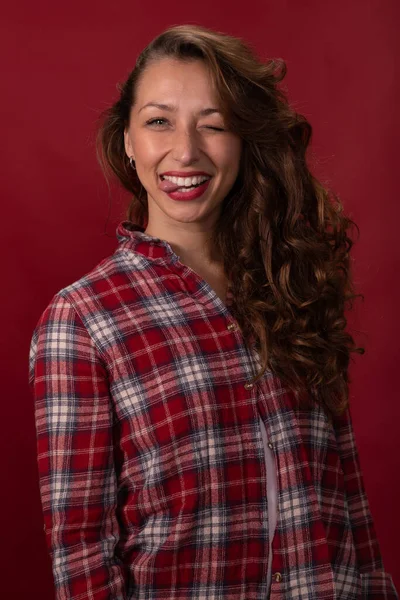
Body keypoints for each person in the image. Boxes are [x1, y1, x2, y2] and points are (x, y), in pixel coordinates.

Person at [29, 24, 398, 600]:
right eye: (159, 122)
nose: (186, 151)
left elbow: (346, 499)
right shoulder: (82, 320)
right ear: (127, 140)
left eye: (214, 123)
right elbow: (81, 552)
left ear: (244, 139)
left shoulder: (291, 283)